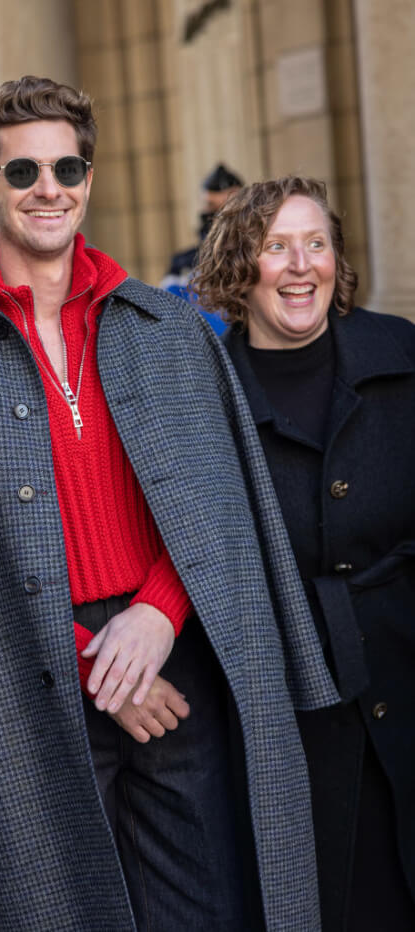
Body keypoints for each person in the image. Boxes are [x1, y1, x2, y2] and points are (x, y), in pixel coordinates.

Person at [0, 77, 339, 932]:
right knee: (58, 910)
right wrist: (96, 666)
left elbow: (222, 503)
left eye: (67, 168)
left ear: (89, 179)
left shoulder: (168, 330)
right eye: (22, 171)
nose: (49, 188)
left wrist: (155, 618)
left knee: (207, 909)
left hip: (173, 659)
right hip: (18, 680)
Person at [194, 175, 415, 930]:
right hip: (289, 713)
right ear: (237, 268)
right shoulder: (206, 395)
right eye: (276, 247)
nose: (300, 265)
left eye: (315, 244)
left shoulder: (402, 353)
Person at [162, 163, 243, 335]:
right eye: (211, 206)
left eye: (228, 208)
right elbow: (168, 316)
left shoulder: (257, 256)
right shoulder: (183, 264)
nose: (219, 217)